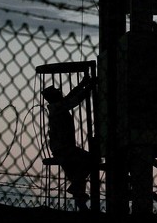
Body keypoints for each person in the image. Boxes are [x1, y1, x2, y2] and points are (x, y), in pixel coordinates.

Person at [41, 75, 95, 211]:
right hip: (64, 149)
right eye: (58, 92)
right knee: (90, 160)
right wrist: (88, 88)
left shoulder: (57, 106)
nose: (61, 93)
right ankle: (76, 190)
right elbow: (74, 100)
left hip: (62, 148)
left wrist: (83, 84)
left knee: (76, 174)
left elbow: (70, 97)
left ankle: (81, 204)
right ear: (54, 96)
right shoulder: (58, 107)